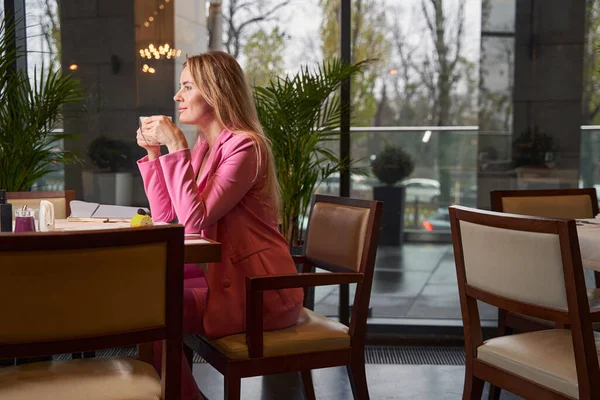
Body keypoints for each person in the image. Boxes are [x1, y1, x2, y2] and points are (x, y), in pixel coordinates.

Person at [136, 51, 304, 400]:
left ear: (214, 91)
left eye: (186, 87)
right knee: (146, 305)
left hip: (260, 292)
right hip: (226, 279)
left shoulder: (245, 146)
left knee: (152, 314)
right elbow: (170, 218)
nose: (176, 97)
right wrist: (156, 155)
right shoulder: (204, 147)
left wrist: (176, 144)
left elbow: (195, 221)